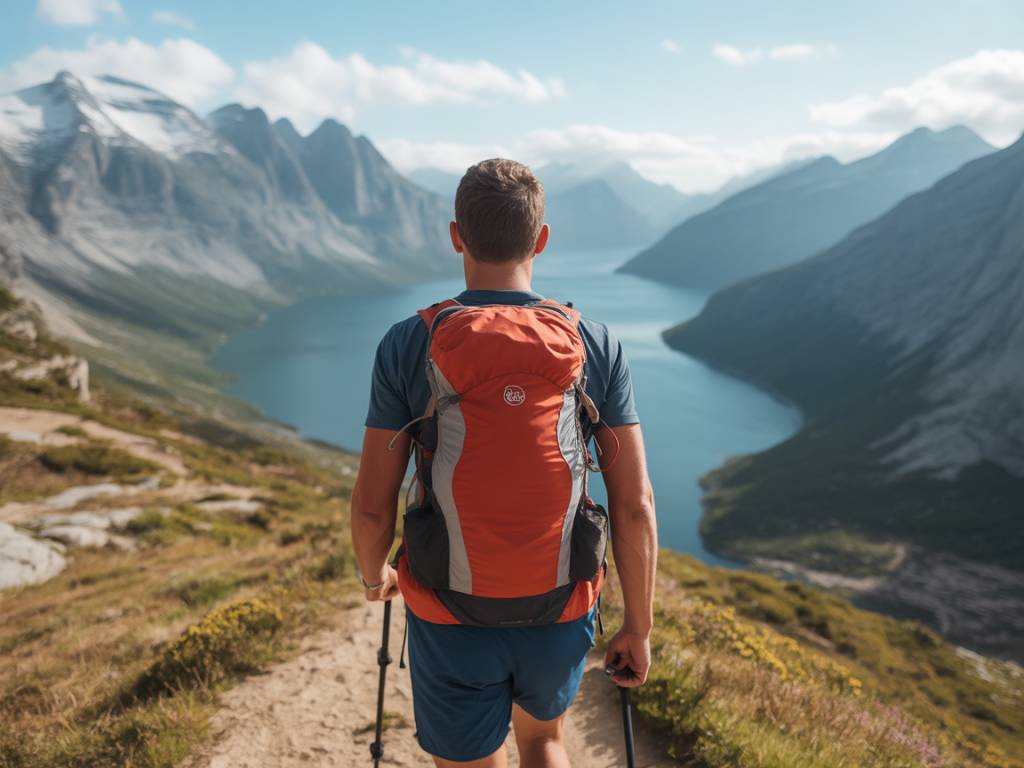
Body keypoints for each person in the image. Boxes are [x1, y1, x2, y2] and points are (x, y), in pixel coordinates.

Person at [351, 158, 657, 768]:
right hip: (562, 600)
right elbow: (635, 504)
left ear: (456, 235)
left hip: (446, 606)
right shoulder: (593, 342)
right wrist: (638, 627)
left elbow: (371, 504)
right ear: (541, 239)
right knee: (544, 742)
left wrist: (375, 576)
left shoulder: (410, 343)